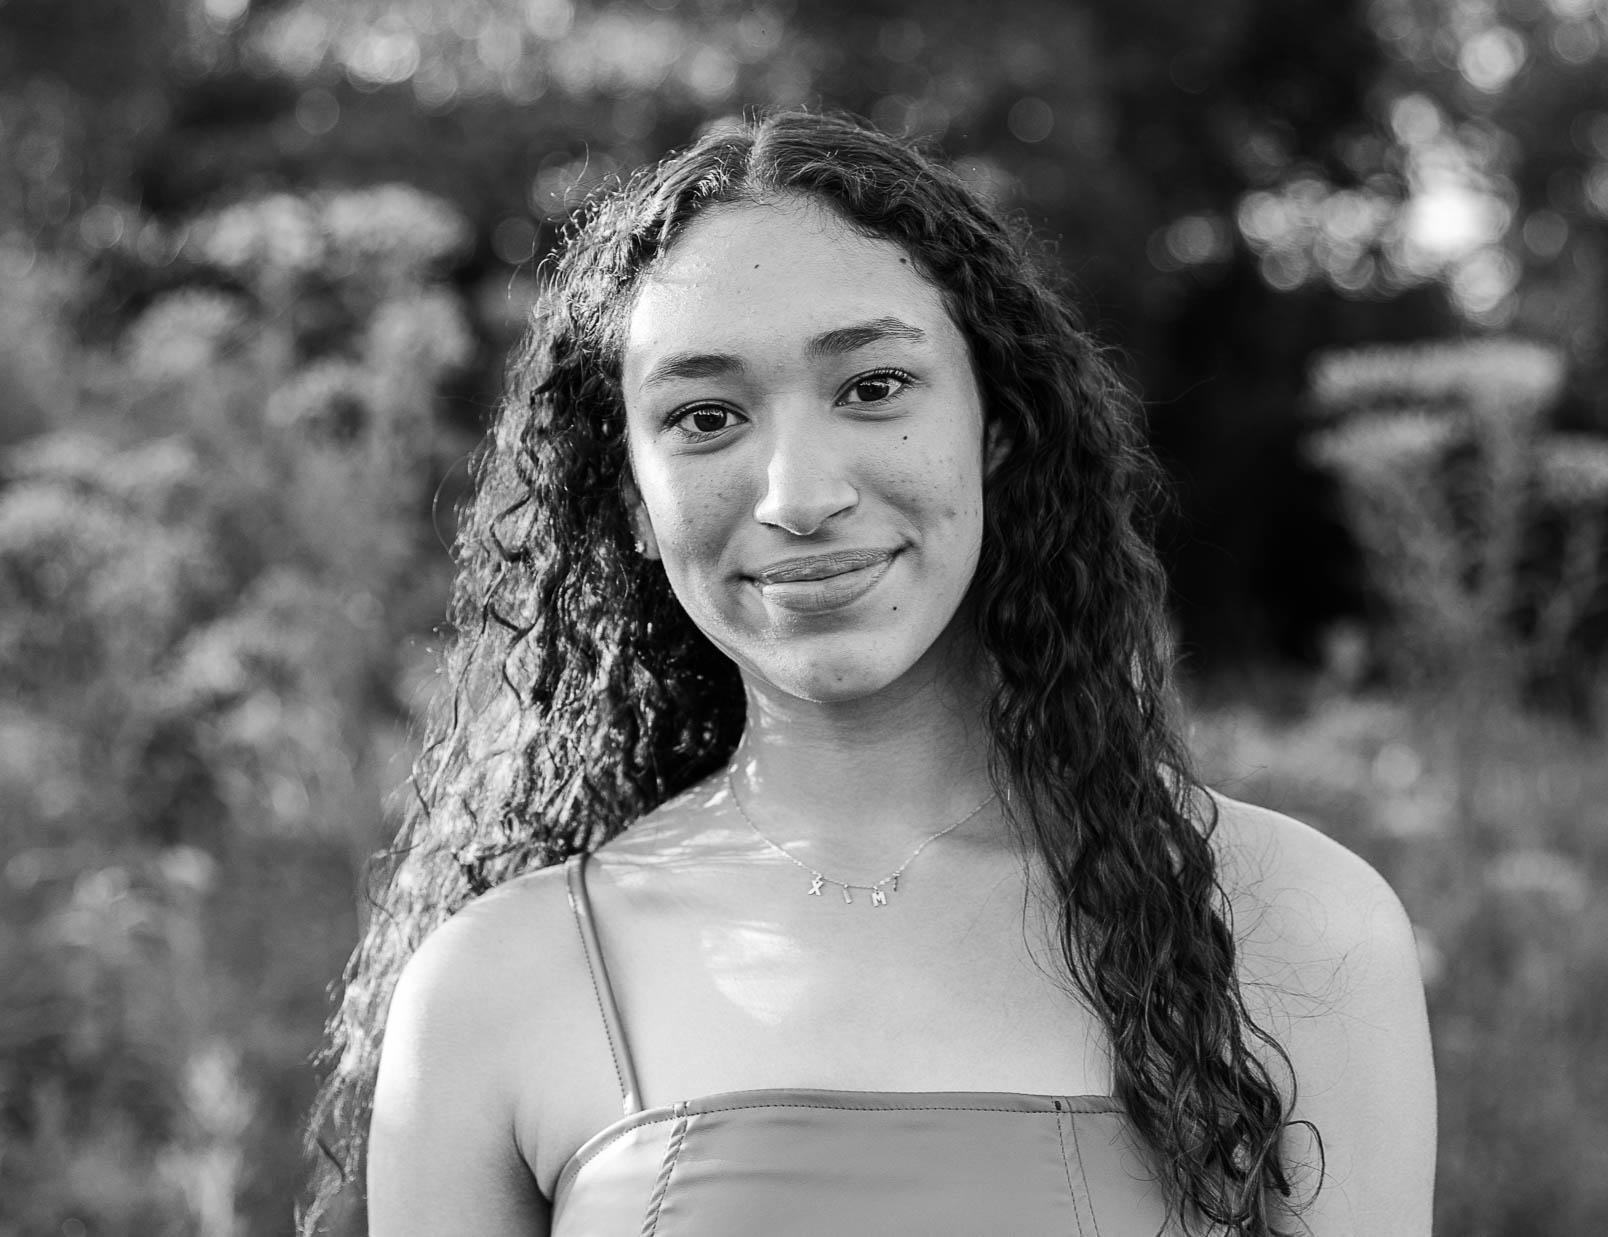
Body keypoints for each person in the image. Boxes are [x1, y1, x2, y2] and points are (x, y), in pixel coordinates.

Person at [302, 110, 1435, 1236]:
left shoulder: (1293, 926)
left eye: (874, 387)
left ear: (998, 428)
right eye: (705, 417)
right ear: (633, 502)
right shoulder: (497, 987)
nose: (799, 496)